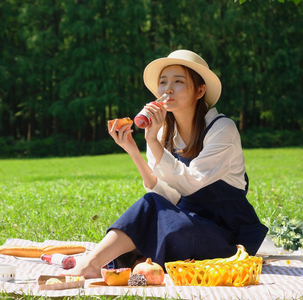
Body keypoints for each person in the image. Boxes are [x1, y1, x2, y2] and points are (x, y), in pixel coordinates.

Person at [64, 49, 268, 279]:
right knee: (157, 210)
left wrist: (152, 141)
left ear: (200, 90)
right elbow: (166, 194)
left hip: (227, 236)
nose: (168, 89)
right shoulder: (162, 132)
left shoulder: (222, 129)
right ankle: (93, 263)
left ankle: (117, 260)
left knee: (162, 229)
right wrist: (133, 149)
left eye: (178, 81)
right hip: (186, 222)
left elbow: (191, 183)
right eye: (163, 82)